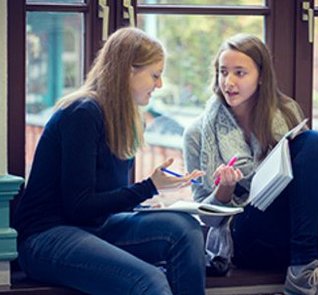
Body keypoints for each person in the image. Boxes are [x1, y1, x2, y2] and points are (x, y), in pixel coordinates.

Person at [183, 33, 318, 295]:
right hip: (247, 240)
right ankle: (302, 271)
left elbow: (309, 183)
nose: (228, 82)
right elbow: (206, 219)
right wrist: (224, 190)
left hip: (303, 234)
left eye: (240, 73)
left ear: (261, 76)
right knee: (313, 141)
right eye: (223, 72)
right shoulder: (198, 133)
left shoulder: (287, 111)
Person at [14, 27, 206, 295]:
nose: (159, 85)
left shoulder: (126, 119)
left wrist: (151, 199)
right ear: (129, 70)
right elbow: (79, 206)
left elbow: (106, 197)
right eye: (155, 75)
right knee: (149, 281)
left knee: (185, 229)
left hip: (95, 227)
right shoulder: (82, 114)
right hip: (47, 236)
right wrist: (148, 186)